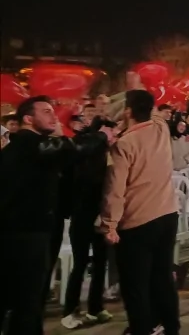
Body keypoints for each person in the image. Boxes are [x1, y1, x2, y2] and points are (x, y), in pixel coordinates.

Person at [0, 96, 111, 334]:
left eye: (53, 111)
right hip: (26, 234)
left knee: (23, 298)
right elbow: (72, 149)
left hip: (26, 231)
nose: (53, 116)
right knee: (26, 301)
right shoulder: (30, 145)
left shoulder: (26, 147)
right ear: (28, 119)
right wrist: (102, 136)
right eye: (46, 111)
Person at [101, 90, 180, 335]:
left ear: (127, 111)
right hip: (168, 214)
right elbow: (153, 113)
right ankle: (170, 327)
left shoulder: (124, 144)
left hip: (138, 220)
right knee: (163, 277)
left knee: (135, 285)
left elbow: (115, 189)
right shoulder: (160, 129)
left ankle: (141, 329)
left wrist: (109, 225)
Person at [61, 110, 116, 329]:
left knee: (101, 260)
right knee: (81, 261)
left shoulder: (103, 153)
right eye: (111, 133)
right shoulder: (81, 148)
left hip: (99, 211)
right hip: (82, 213)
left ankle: (96, 307)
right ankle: (70, 311)